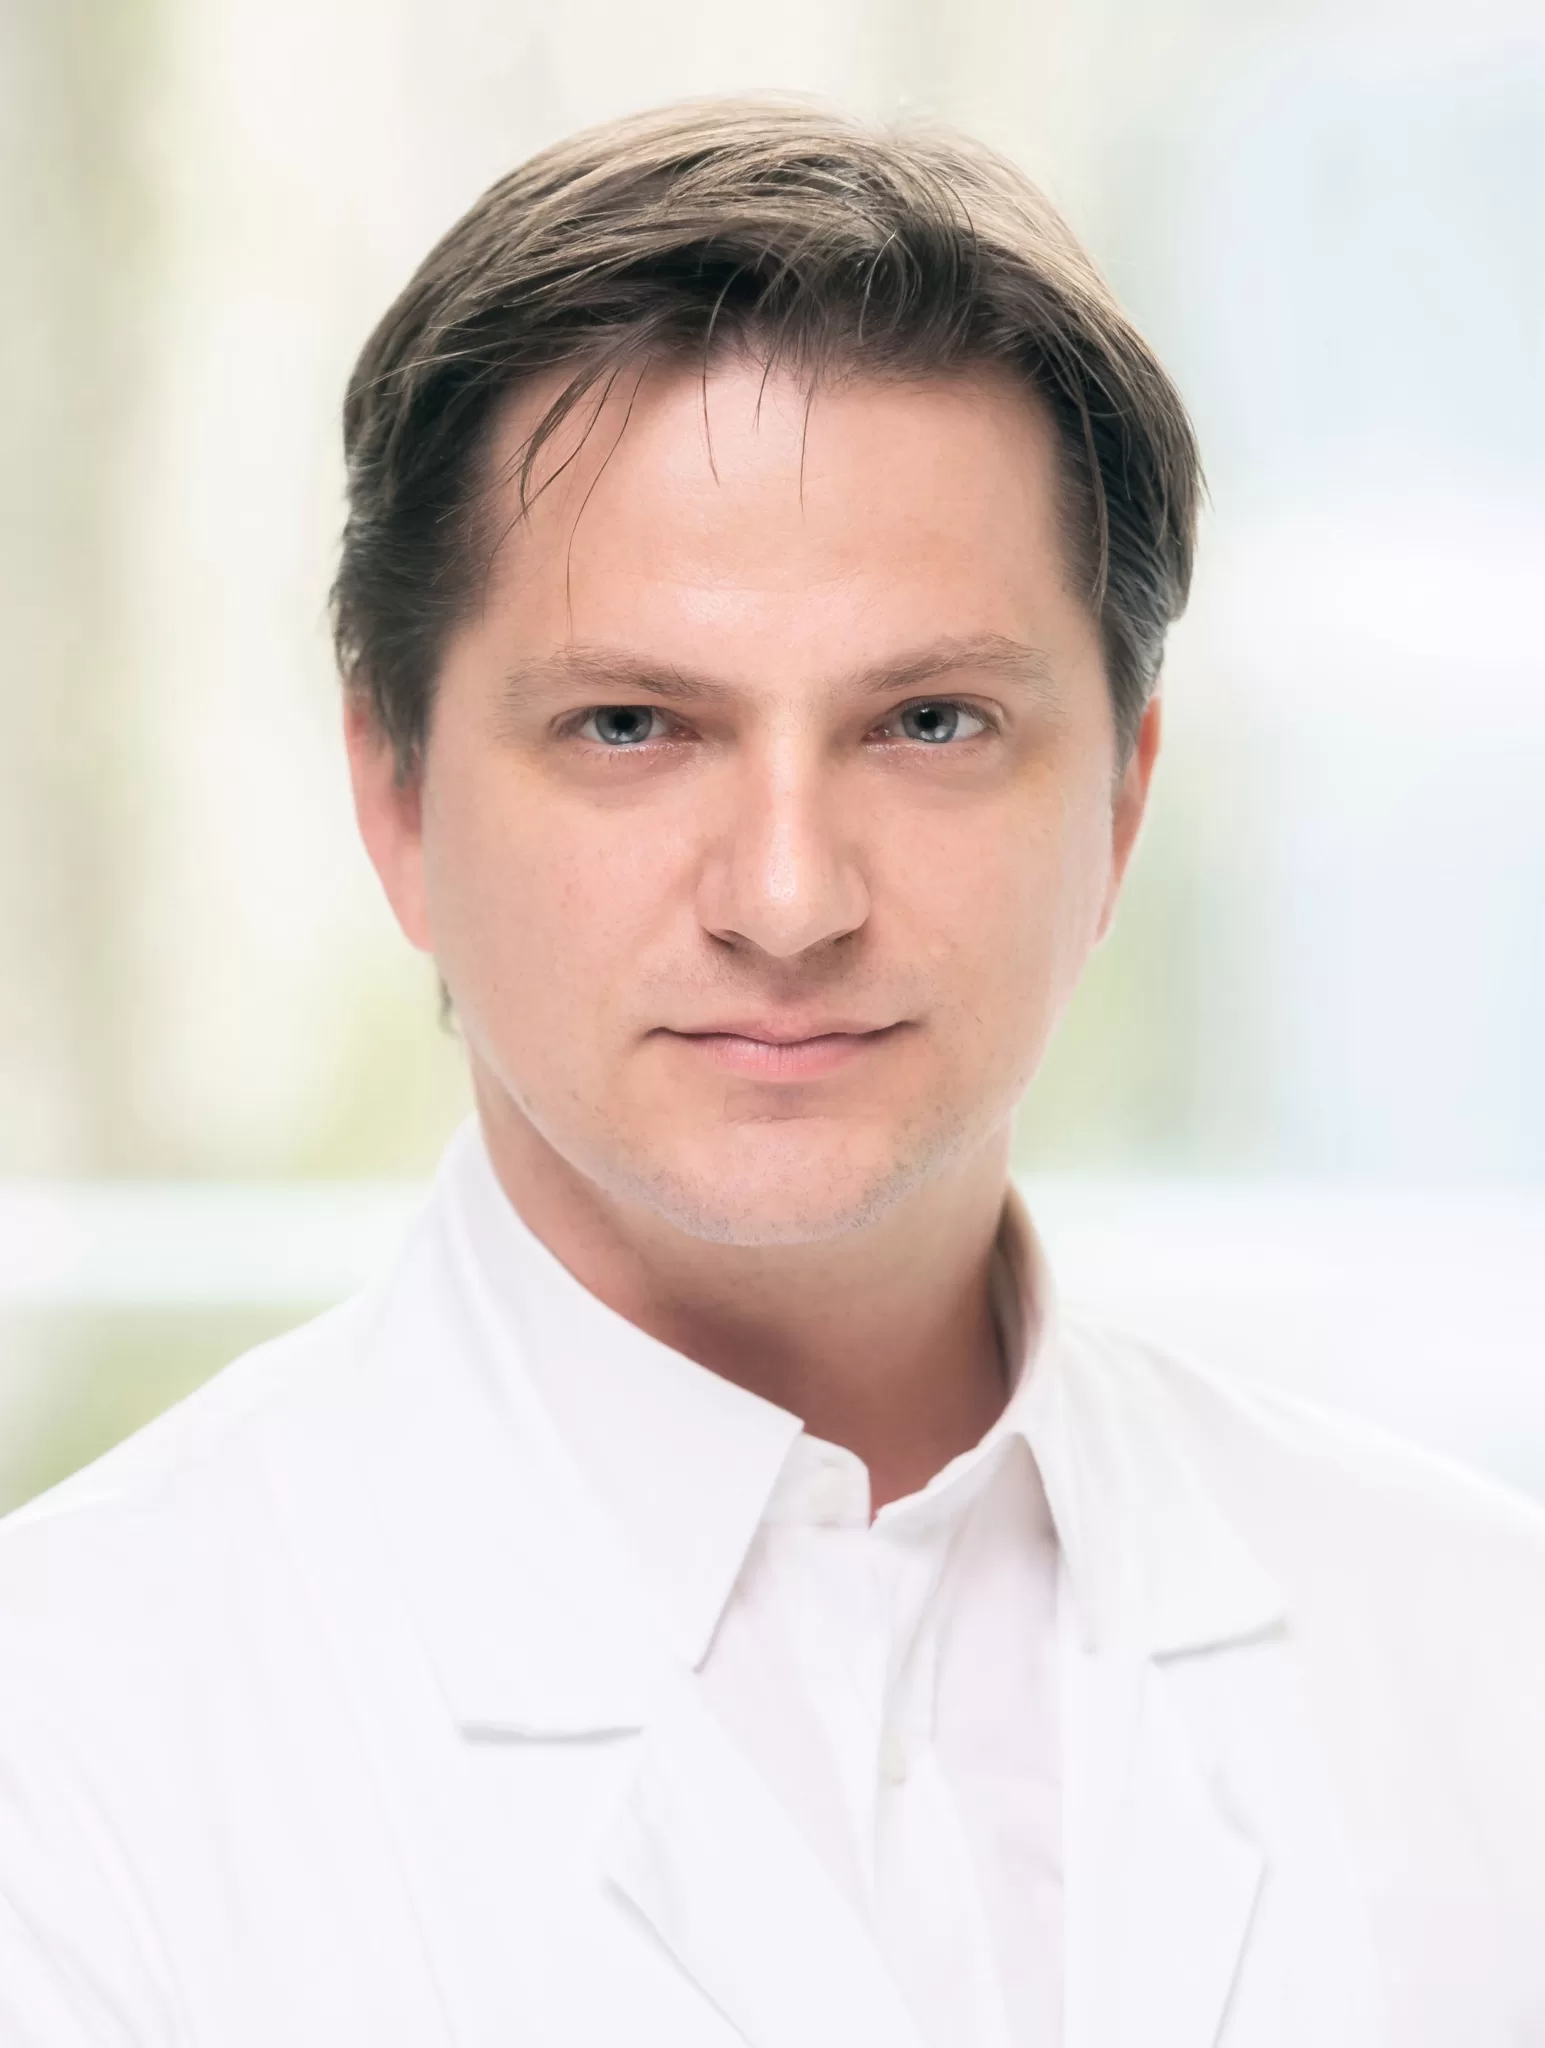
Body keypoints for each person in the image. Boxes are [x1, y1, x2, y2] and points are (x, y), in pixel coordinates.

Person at [1, 98, 1541, 2048]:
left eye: (931, 722)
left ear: (1120, 804)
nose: (790, 897)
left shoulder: (1485, 1648)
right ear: (395, 795)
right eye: (632, 725)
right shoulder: (63, 1743)